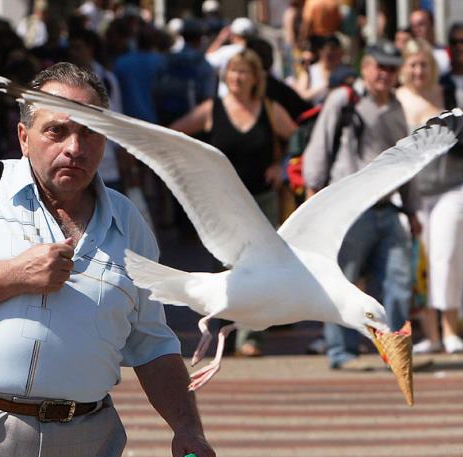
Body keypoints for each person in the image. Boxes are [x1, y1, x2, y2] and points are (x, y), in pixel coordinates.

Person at [0, 63, 216, 457]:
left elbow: (153, 343)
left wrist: (188, 429)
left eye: (89, 131)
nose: (74, 148)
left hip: (86, 438)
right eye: (56, 131)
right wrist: (15, 275)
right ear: (24, 137)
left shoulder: (128, 223)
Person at [170, 49, 297, 356]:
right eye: (233, 71)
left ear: (256, 78)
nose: (238, 78)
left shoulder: (268, 109)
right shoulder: (212, 109)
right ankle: (224, 330)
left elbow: (298, 136)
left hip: (262, 201)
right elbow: (174, 134)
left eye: (244, 72)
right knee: (224, 265)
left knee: (261, 268)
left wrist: (282, 166)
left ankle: (251, 337)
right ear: (225, 76)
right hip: (222, 205)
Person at [303, 42, 419, 369]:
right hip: (347, 210)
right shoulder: (345, 99)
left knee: (397, 282)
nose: (384, 73)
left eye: (391, 68)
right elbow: (319, 147)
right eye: (378, 66)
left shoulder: (397, 107)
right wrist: (313, 199)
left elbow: (406, 162)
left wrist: (412, 210)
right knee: (344, 283)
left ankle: (395, 353)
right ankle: (342, 352)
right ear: (365, 67)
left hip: (388, 208)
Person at [396, 39, 463, 355]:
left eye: (424, 64)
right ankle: (431, 333)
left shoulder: (453, 96)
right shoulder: (396, 101)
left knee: (444, 255)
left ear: (433, 68)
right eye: (413, 65)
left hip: (454, 186)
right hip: (415, 195)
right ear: (405, 69)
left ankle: (449, 328)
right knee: (424, 260)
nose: (419, 71)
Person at [293, 34, 344, 105]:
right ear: (320, 52)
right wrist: (325, 85)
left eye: (335, 52)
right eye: (329, 54)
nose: (332, 56)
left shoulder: (344, 72)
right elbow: (300, 95)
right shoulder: (310, 71)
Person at [409, 9, 450, 75]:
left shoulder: (446, 53)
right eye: (413, 26)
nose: (416, 29)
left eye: (421, 24)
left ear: (432, 24)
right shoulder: (407, 54)